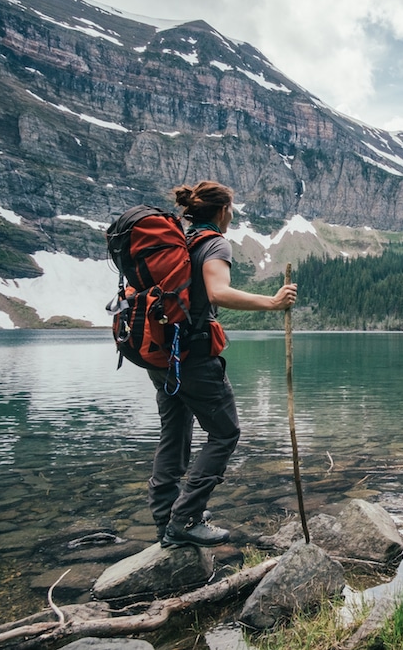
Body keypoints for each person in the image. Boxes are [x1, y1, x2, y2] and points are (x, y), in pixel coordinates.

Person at [148, 180, 297, 548]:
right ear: (222, 210)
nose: (232, 215)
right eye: (231, 208)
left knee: (174, 434)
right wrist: (273, 303)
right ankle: (185, 519)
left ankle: (166, 517)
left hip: (162, 355)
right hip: (195, 358)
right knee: (225, 433)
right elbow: (218, 292)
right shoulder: (214, 242)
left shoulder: (178, 241)